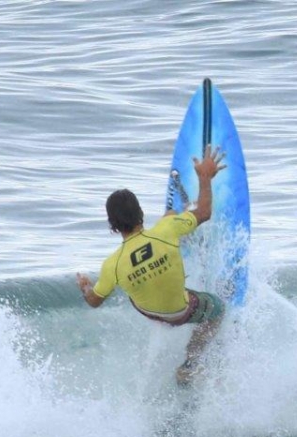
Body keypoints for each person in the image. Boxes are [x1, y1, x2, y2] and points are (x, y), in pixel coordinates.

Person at [76, 145, 227, 385]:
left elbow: (94, 301)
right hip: (182, 311)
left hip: (150, 313)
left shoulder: (111, 264)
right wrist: (204, 177)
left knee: (168, 221)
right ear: (141, 214)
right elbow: (206, 212)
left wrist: (85, 286)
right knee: (217, 310)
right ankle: (189, 365)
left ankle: (179, 219)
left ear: (113, 227)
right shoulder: (165, 231)